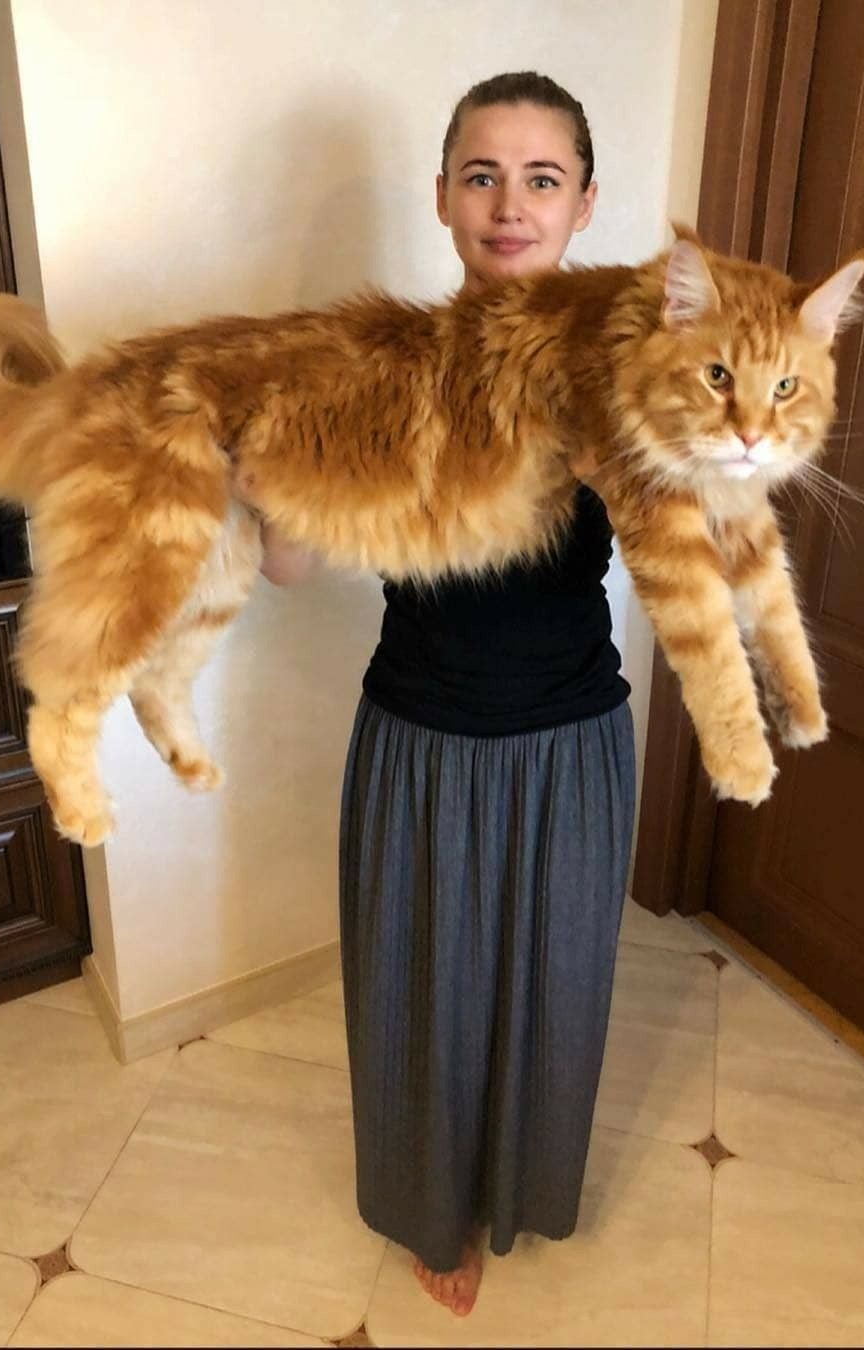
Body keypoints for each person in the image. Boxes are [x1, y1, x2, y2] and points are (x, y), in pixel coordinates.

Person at [262, 71, 634, 1318]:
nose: (510, 205)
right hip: (421, 737)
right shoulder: (387, 365)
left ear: (584, 204)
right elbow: (289, 561)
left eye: (542, 179)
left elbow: (695, 534)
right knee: (424, 998)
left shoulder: (631, 371)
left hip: (574, 737)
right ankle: (433, 1210)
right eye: (483, 176)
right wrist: (282, 448)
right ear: (442, 198)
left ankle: (520, 1188)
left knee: (555, 993)